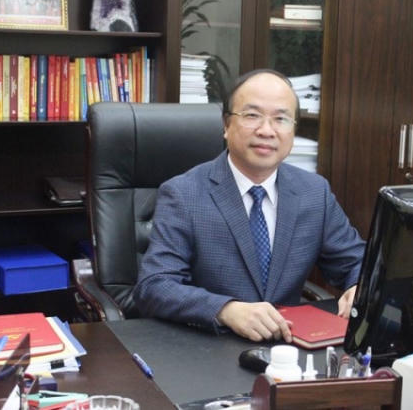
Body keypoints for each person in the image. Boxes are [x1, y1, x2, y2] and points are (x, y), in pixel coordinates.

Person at [133, 69, 364, 343]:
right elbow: (155, 285)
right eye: (252, 115)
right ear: (226, 125)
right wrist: (225, 310)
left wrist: (358, 285)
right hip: (209, 347)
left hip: (289, 346)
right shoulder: (184, 194)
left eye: (281, 119)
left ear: (293, 130)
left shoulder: (314, 192)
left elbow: (357, 261)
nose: (266, 131)